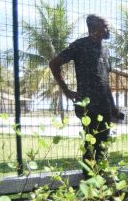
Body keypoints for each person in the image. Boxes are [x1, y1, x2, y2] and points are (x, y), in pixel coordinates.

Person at [49, 14, 123, 171]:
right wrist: (66, 90)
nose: (108, 29)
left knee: (103, 145)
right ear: (94, 28)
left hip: (104, 105)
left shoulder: (105, 49)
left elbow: (105, 80)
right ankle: (89, 183)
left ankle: (100, 185)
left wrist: (113, 106)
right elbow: (54, 64)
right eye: (105, 26)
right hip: (88, 105)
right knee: (91, 145)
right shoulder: (79, 45)